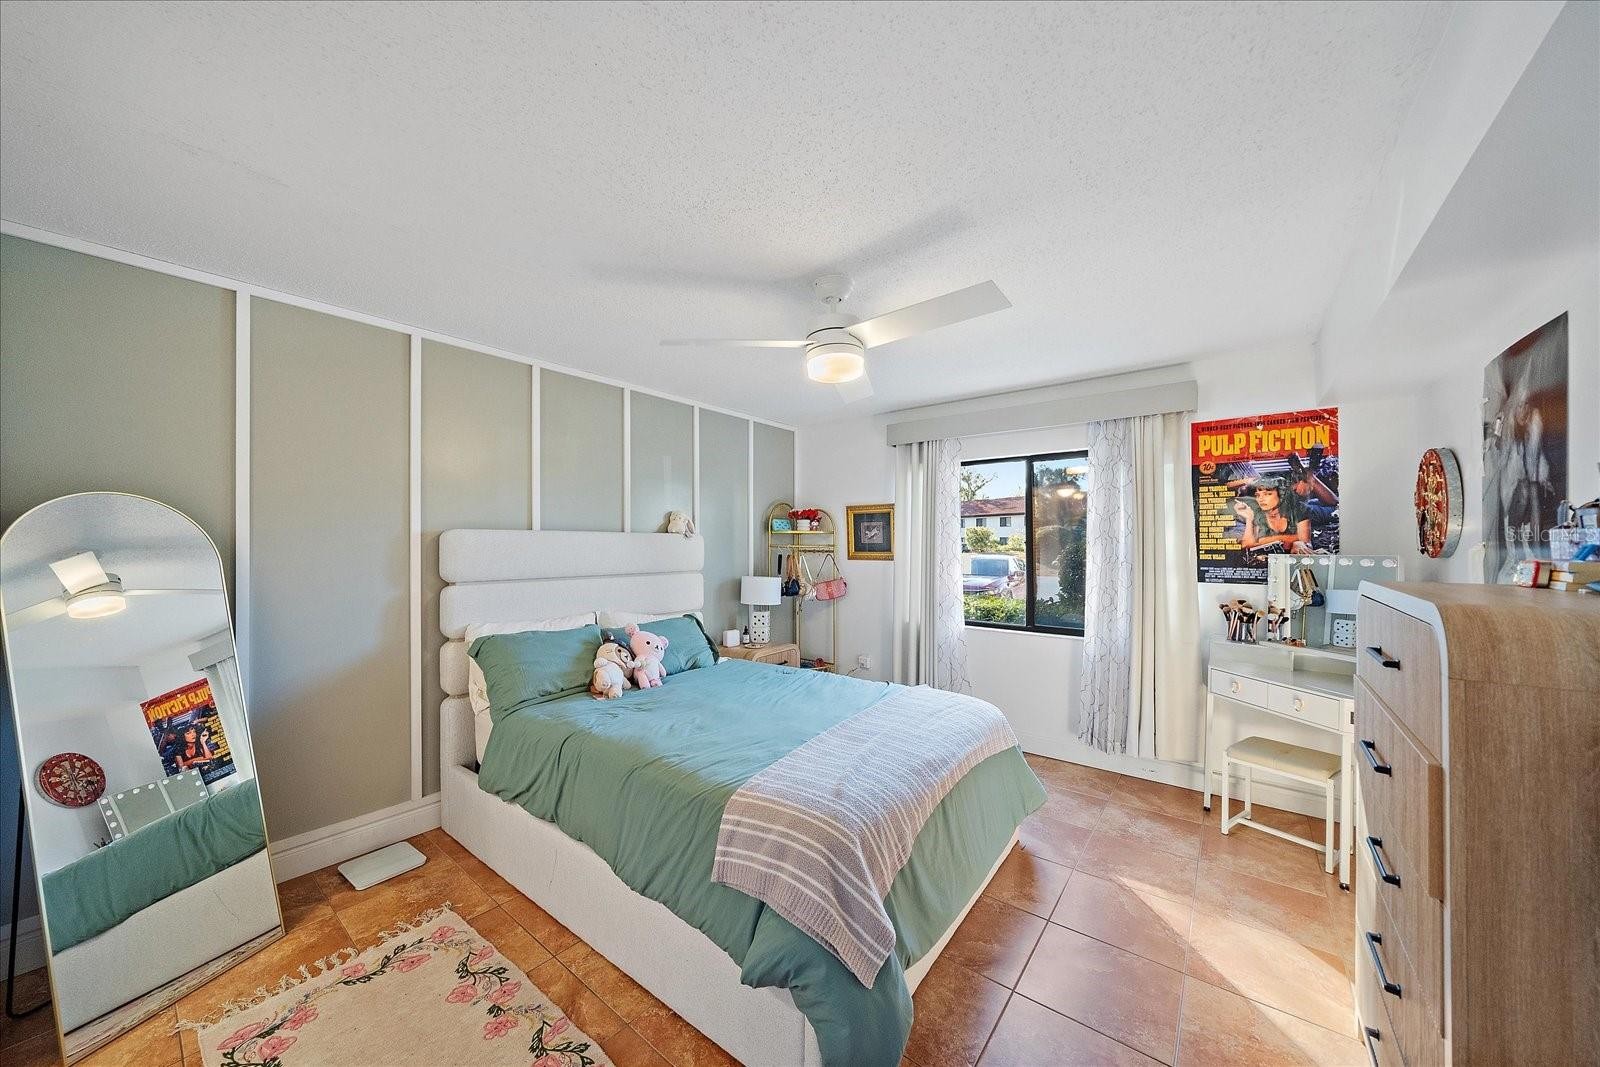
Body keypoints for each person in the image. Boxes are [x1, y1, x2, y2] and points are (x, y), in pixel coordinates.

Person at [1233, 477, 1311, 554]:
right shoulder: (1256, 512)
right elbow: (1247, 544)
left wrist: (1263, 541)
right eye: (1258, 495)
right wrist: (1249, 518)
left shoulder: (1299, 509)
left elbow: (1304, 541)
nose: (1261, 499)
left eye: (1267, 494)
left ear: (1282, 495)